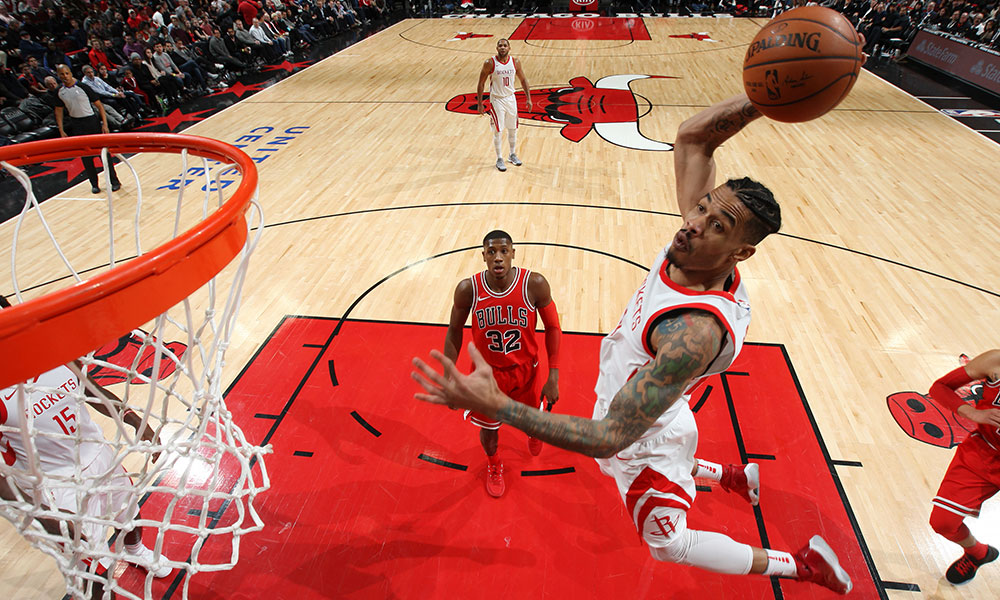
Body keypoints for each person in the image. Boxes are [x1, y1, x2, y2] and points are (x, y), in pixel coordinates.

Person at [412, 93, 852, 594]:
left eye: (715, 225)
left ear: (741, 252)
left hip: (649, 432)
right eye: (703, 208)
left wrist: (498, 407)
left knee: (667, 543)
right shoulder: (701, 245)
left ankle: (800, 563)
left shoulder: (693, 333)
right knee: (606, 462)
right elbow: (692, 136)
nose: (693, 222)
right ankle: (733, 476)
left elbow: (610, 437)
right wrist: (762, 100)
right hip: (632, 388)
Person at [0, 294, 170, 584]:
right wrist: (41, 514)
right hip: (56, 484)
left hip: (99, 455)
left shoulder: (52, 353)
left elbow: (93, 391)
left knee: (129, 513)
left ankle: (136, 549)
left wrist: (134, 421)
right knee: (87, 566)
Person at [444, 230, 561, 497]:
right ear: (483, 256)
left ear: (513, 254)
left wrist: (553, 374)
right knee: (489, 429)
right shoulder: (468, 289)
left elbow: (553, 327)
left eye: (504, 251)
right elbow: (454, 330)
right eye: (492, 252)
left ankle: (533, 432)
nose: (498, 258)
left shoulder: (535, 284)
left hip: (526, 372)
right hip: (487, 376)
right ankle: (494, 464)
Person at [927, 349, 1000, 585]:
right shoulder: (996, 361)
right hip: (985, 451)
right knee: (943, 523)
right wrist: (971, 412)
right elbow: (939, 388)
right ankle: (978, 553)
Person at [52, 64, 121, 195]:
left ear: (71, 73)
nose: (65, 76)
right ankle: (94, 184)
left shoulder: (83, 87)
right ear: (58, 75)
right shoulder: (58, 91)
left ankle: (114, 181)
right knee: (86, 157)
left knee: (104, 154)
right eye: (62, 74)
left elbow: (100, 106)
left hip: (91, 121)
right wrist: (61, 130)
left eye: (67, 73)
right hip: (76, 124)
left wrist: (104, 124)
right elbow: (58, 112)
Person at [477, 38, 531, 172]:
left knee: (513, 129)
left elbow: (523, 80)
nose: (502, 47)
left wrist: (528, 98)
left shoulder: (515, 62)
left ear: (509, 48)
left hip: (510, 98)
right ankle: (499, 158)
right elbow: (481, 83)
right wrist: (479, 103)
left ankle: (512, 154)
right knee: (498, 130)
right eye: (500, 45)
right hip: (496, 100)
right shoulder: (490, 63)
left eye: (505, 45)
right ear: (496, 48)